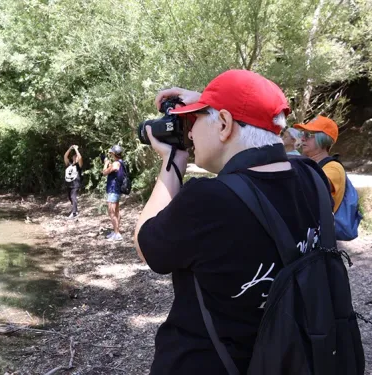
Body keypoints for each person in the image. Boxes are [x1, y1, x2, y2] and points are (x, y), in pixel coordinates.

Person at [133, 70, 331, 374]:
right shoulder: (312, 178)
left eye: (196, 120)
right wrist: (211, 103)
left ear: (224, 124)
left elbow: (147, 245)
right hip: (293, 358)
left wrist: (173, 162)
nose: (189, 134)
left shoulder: (208, 202)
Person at [296, 116, 345, 213]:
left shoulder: (334, 168)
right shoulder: (307, 162)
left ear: (323, 139)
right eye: (302, 134)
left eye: (308, 135)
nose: (302, 139)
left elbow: (315, 186)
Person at [102, 145, 124, 241]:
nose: (110, 154)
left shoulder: (115, 164)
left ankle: (117, 233)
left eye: (111, 153)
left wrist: (106, 163)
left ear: (114, 154)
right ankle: (116, 231)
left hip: (113, 190)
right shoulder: (121, 162)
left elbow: (104, 172)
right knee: (116, 212)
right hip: (116, 190)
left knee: (112, 212)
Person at [63, 145, 83, 219]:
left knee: (73, 196)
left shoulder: (79, 165)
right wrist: (70, 148)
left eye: (76, 157)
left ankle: (74, 213)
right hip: (69, 184)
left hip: (75, 184)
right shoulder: (69, 164)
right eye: (74, 156)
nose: (75, 157)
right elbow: (65, 156)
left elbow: (80, 158)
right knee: (70, 197)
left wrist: (76, 149)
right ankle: (75, 210)